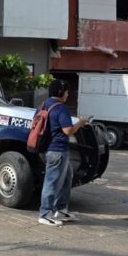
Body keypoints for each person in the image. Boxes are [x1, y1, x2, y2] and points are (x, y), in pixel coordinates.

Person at [37, 79, 90, 227]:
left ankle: (61, 210)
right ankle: (45, 214)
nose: (67, 94)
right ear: (61, 93)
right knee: (52, 183)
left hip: (49, 149)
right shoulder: (61, 108)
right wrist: (81, 122)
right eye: (66, 92)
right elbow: (68, 130)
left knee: (67, 179)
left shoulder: (44, 105)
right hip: (58, 150)